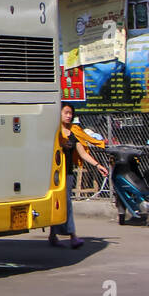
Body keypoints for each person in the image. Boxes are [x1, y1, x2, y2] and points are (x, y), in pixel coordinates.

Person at [49, 102, 108, 249]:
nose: (69, 116)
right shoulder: (52, 132)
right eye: (66, 112)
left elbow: (82, 153)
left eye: (71, 113)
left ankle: (66, 235)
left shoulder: (73, 132)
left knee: (66, 203)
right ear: (59, 113)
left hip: (67, 174)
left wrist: (98, 165)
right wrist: (61, 145)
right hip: (53, 175)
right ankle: (67, 235)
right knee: (58, 204)